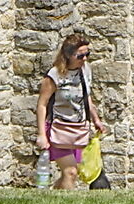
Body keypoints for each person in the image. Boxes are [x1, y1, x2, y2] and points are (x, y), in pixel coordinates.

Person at [36, 32, 105, 191]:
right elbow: (42, 105)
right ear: (68, 55)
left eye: (87, 54)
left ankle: (52, 197)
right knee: (71, 172)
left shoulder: (85, 70)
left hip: (77, 130)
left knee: (71, 173)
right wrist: (41, 134)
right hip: (58, 129)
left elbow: (86, 96)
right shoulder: (55, 75)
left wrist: (96, 119)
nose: (85, 59)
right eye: (80, 56)